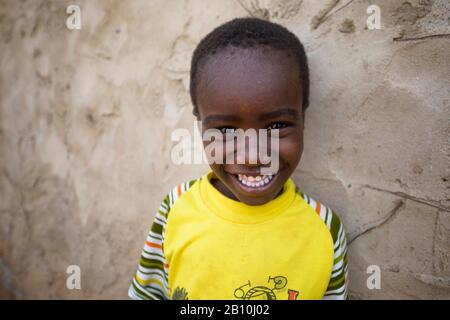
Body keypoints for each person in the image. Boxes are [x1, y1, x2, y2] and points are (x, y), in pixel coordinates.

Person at [128, 17, 348, 300]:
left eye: (277, 126)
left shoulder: (325, 229)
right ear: (200, 125)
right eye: (226, 130)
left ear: (303, 118)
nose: (253, 156)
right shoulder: (176, 208)